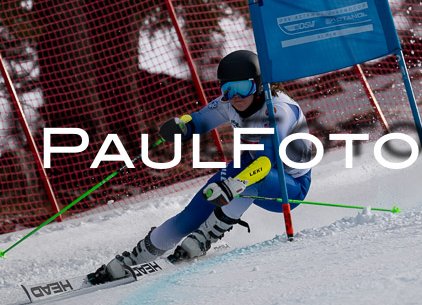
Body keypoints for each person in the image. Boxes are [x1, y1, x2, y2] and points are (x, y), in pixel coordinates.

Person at [90, 50, 313, 283]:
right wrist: (182, 127)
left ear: (257, 85)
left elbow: (265, 163)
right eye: (227, 88)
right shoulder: (229, 103)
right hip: (247, 169)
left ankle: (204, 238)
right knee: (190, 215)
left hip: (288, 186)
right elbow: (198, 121)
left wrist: (232, 186)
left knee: (248, 180)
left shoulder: (277, 110)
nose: (234, 96)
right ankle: (135, 259)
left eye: (241, 87)